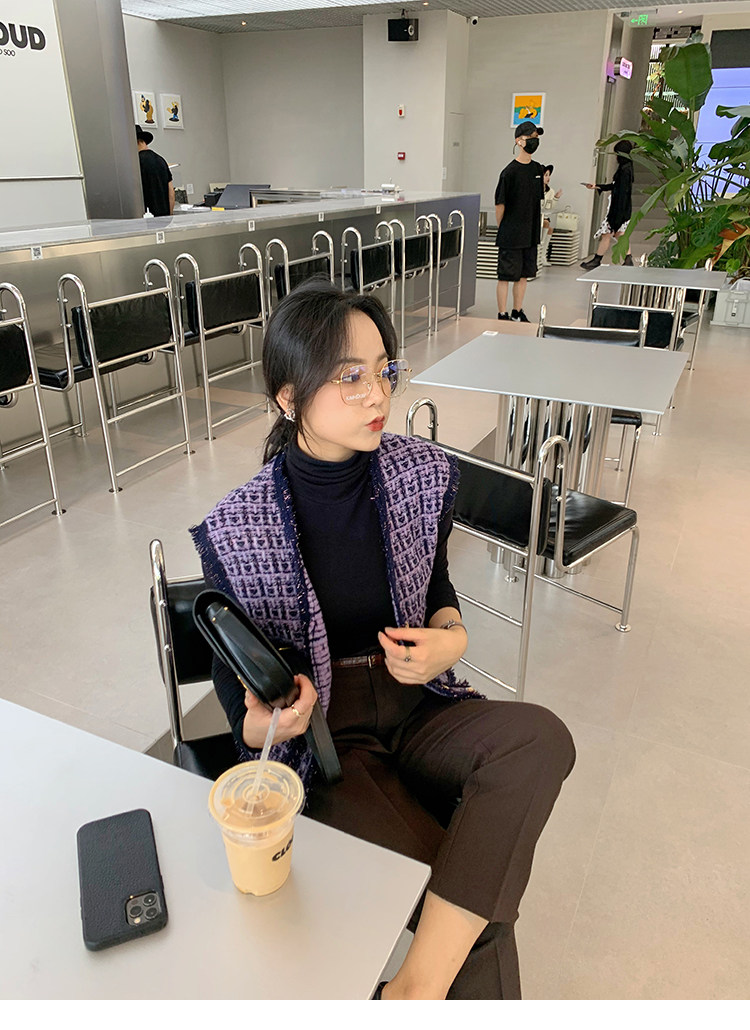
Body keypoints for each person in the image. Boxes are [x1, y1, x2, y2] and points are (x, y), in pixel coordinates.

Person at [190, 278, 576, 1001]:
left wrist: (451, 640)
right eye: (349, 377)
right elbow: (242, 713)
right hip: (331, 738)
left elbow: (436, 590)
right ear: (288, 397)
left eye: (383, 370)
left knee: (540, 740)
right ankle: (415, 994)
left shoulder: (417, 476)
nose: (377, 394)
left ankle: (405, 995)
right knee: (473, 918)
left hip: (420, 703)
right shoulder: (239, 528)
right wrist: (273, 721)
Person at [494, 120, 546, 323]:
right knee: (506, 275)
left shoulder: (537, 169)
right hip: (511, 232)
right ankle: (502, 313)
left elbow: (537, 200)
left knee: (524, 274)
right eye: (531, 137)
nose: (534, 141)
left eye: (536, 137)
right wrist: (504, 227)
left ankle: (517, 310)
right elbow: (500, 204)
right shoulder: (509, 172)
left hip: (530, 232)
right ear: (519, 141)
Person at [580, 140, 635, 269]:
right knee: (618, 234)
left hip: (618, 209)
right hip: (621, 208)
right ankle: (627, 259)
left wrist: (616, 215)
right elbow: (616, 187)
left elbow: (620, 192)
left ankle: (597, 260)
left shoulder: (624, 171)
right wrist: (598, 186)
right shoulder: (626, 168)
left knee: (609, 234)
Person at [135, 124, 174, 217]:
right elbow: (171, 192)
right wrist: (170, 215)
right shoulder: (161, 160)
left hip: (146, 219)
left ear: (137, 142)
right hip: (164, 218)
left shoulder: (135, 163)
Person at [541, 164, 562, 265]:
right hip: (533, 217)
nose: (548, 178)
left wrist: (556, 198)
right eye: (546, 175)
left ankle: (542, 255)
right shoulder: (533, 189)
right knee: (546, 224)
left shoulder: (550, 191)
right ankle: (540, 251)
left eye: (549, 175)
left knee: (550, 227)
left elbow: (550, 207)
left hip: (544, 216)